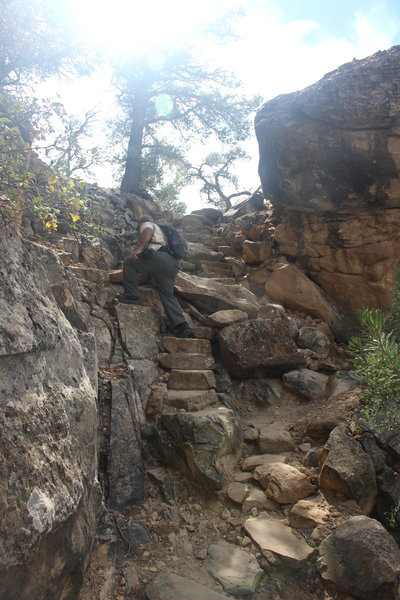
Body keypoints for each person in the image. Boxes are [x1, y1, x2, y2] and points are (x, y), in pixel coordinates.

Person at [117, 215, 193, 338]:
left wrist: (139, 249)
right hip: (173, 264)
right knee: (166, 294)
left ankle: (131, 296)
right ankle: (181, 325)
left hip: (160, 258)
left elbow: (147, 231)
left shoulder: (147, 224)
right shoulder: (163, 232)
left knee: (129, 263)